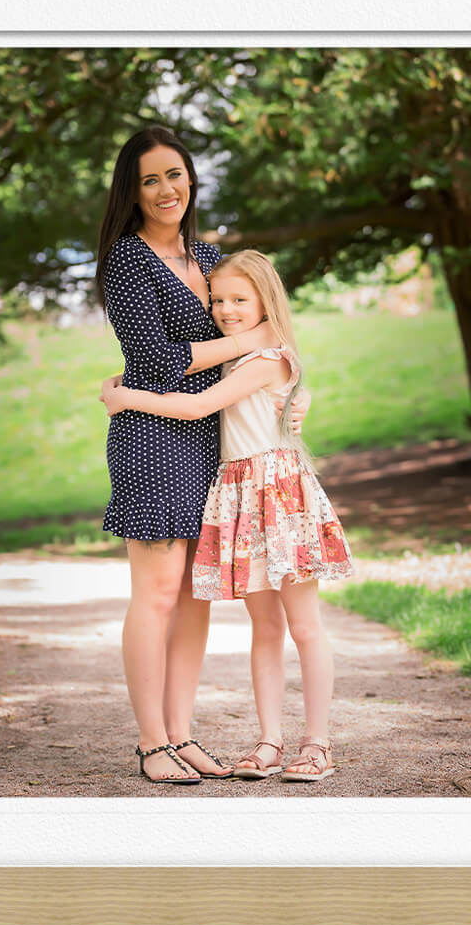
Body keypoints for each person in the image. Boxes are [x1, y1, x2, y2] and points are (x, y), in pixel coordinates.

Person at [95, 126, 304, 785]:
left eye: (175, 174)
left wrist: (285, 375)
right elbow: (156, 363)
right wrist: (256, 340)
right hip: (153, 436)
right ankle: (151, 741)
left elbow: (254, 331)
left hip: (211, 437)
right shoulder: (128, 261)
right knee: (156, 594)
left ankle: (182, 735)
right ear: (133, 191)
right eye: (150, 179)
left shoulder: (210, 256)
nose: (166, 190)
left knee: (194, 597)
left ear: (192, 178)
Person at [102, 249, 354, 783]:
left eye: (241, 300)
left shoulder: (264, 359)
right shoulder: (241, 357)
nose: (226, 310)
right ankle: (269, 741)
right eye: (217, 300)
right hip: (243, 495)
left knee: (304, 626)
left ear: (267, 300)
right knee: (264, 625)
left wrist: (126, 397)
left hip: (279, 498)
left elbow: (196, 407)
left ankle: (318, 744)